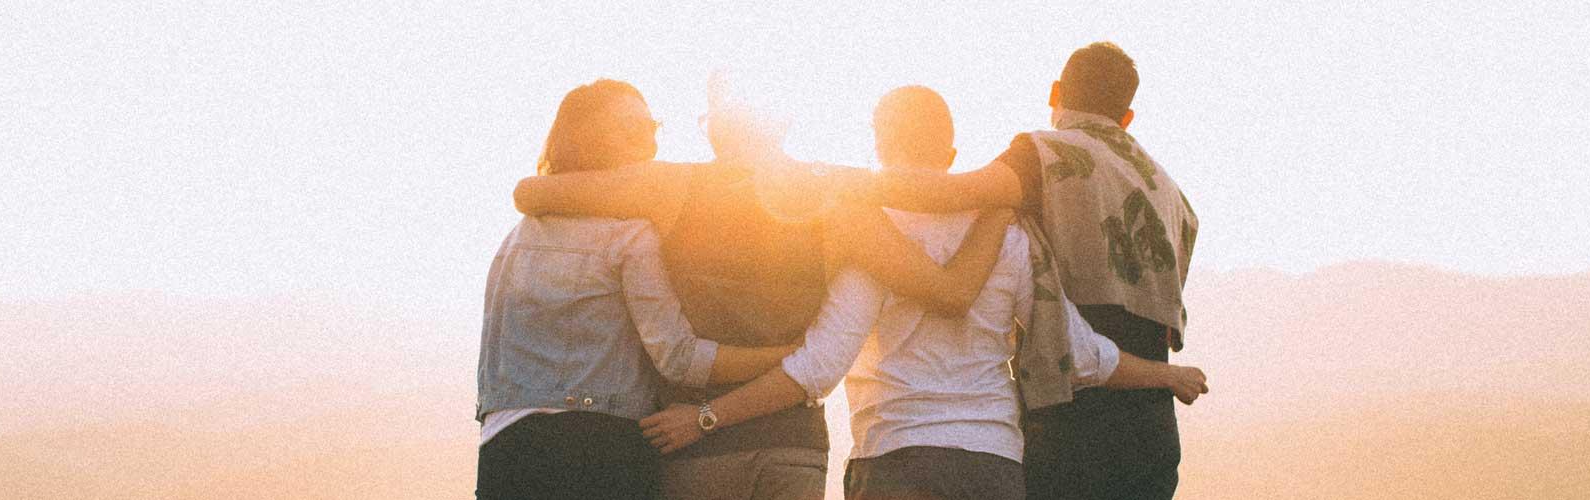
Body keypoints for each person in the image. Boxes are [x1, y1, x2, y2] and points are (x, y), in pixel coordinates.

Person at [637, 86, 1207, 500]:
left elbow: (819, 367)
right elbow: (1079, 353)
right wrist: (1169, 374)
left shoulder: (871, 236)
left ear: (879, 148)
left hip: (895, 460)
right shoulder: (1009, 234)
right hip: (992, 465)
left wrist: (706, 416)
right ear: (953, 156)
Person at [512, 74, 1012, 500]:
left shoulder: (667, 186)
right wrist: (1001, 204)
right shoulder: (838, 201)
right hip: (791, 448)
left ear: (715, 126)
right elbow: (949, 292)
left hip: (692, 450)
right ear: (783, 122)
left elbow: (532, 193)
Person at [859, 42, 1203, 500]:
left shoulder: (1045, 155)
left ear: (1056, 92)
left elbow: (953, 195)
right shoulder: (1172, 195)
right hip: (1149, 426)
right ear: (1127, 116)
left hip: (1067, 424)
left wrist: (832, 184)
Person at [475, 79, 795, 500]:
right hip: (602, 449)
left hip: (505, 448)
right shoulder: (630, 235)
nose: (649, 144)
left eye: (652, 128)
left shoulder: (514, 239)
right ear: (588, 138)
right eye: (630, 129)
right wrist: (786, 359)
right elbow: (678, 358)